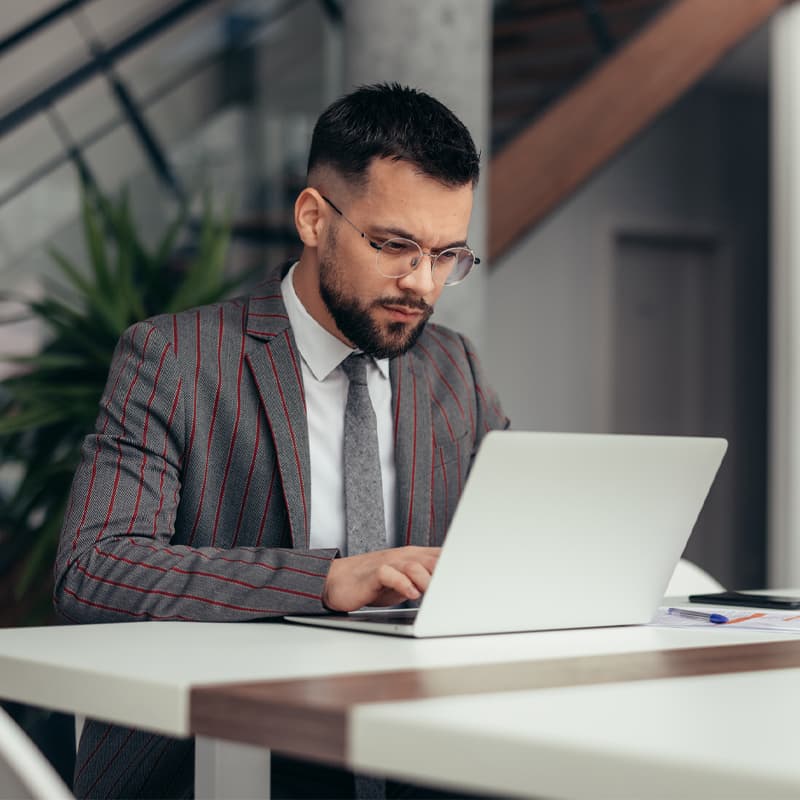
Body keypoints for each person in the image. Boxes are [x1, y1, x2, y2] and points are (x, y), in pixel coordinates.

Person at [54, 82, 509, 799]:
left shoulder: (454, 367)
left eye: (448, 253)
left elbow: (508, 547)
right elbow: (95, 567)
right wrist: (323, 580)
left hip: (423, 750)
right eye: (395, 246)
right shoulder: (175, 357)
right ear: (312, 218)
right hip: (226, 756)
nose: (422, 283)